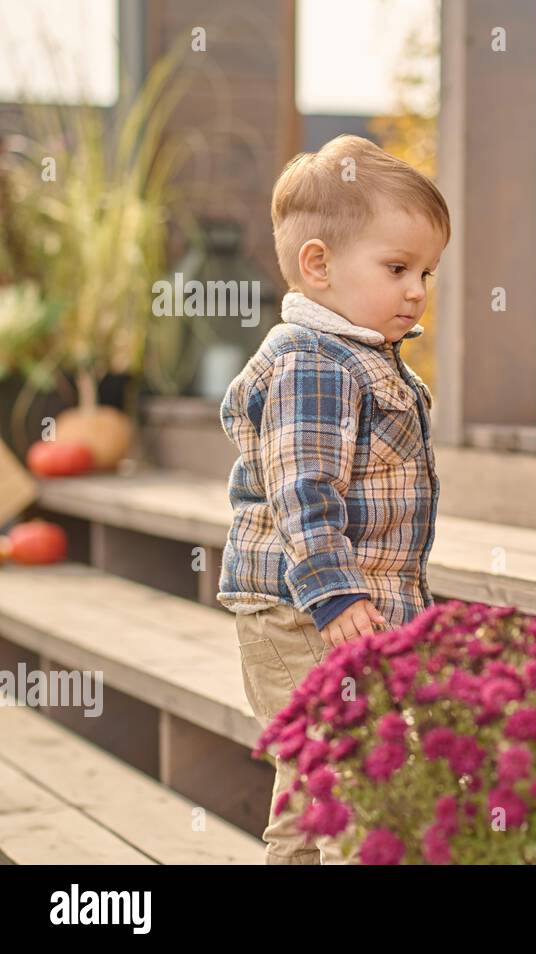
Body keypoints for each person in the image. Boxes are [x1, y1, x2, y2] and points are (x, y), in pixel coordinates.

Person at [217, 134, 449, 864]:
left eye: (426, 272)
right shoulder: (315, 366)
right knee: (353, 789)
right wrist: (336, 594)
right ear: (318, 266)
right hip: (305, 615)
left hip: (334, 615)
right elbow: (303, 492)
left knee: (318, 791)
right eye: (397, 268)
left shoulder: (358, 357)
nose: (417, 290)